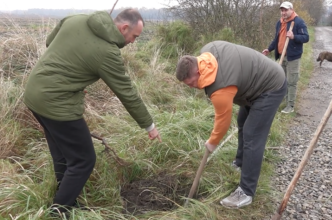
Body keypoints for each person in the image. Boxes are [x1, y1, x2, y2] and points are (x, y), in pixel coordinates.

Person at [24, 9, 161, 215]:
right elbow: (127, 93)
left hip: (34, 94)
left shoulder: (77, 19)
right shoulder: (107, 52)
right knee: (84, 160)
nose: (134, 42)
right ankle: (58, 212)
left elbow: (50, 41)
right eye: (134, 36)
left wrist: (71, 72)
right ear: (124, 28)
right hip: (56, 103)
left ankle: (67, 201)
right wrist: (149, 125)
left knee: (63, 154)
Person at [176, 41, 287, 209]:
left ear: (198, 71)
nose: (193, 87)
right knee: (243, 121)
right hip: (254, 82)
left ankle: (246, 192)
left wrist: (212, 142)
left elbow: (222, 122)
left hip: (270, 86)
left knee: (252, 135)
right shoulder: (208, 51)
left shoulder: (220, 88)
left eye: (191, 83)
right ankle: (241, 162)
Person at [262, 1, 309, 114]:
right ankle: (281, 100)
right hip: (281, 56)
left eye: (285, 10)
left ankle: (290, 105)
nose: (283, 12)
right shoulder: (280, 22)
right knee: (281, 80)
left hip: (293, 57)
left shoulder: (298, 22)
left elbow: (306, 37)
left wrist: (294, 36)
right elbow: (276, 39)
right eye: (282, 10)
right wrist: (269, 49)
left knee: (291, 81)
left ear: (291, 10)